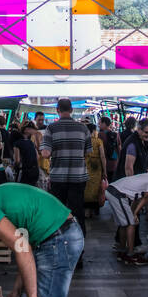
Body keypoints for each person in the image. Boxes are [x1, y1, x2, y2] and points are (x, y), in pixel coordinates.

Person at [41, 98, 100, 245]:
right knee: (77, 211)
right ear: (72, 110)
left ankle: (58, 244)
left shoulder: (51, 128)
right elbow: (87, 152)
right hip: (78, 177)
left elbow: (45, 154)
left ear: (57, 110)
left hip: (58, 178)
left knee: (57, 212)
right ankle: (78, 248)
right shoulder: (83, 128)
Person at [105, 161, 148, 265]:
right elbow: (146, 197)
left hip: (112, 190)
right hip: (118, 194)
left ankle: (122, 252)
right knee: (131, 224)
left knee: (124, 224)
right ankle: (130, 254)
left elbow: (136, 197)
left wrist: (133, 212)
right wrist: (135, 213)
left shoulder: (145, 176)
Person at [83, 121, 108, 224]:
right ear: (93, 131)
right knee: (95, 189)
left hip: (85, 166)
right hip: (96, 167)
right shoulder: (98, 141)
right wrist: (105, 170)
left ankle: (86, 211)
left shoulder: (83, 141)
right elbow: (102, 156)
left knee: (86, 189)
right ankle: (92, 211)